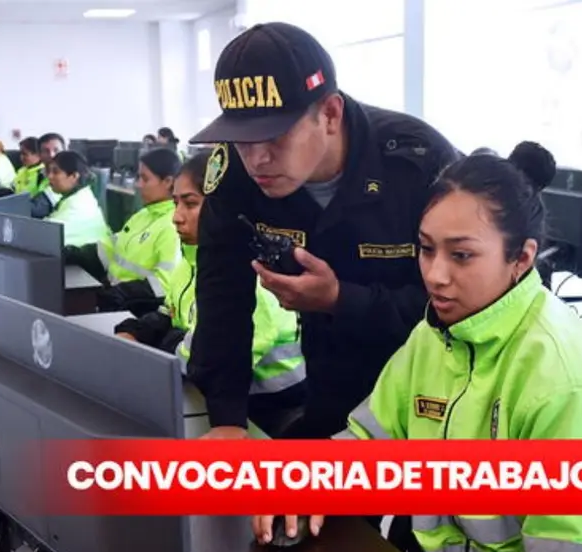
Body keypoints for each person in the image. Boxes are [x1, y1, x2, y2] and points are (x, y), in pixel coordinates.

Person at [251, 143, 582, 552]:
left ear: (521, 258)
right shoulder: (437, 333)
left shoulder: (570, 382)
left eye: (461, 255)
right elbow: (371, 442)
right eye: (425, 249)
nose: (435, 275)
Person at [186, 22, 459, 440]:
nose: (257, 159)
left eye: (273, 136)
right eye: (242, 139)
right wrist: (227, 420)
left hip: (433, 403)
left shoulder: (418, 163)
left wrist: (341, 300)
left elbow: (465, 308)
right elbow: (221, 296)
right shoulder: (233, 176)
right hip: (329, 389)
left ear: (329, 114)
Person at [113, 153, 306, 436]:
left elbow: (206, 360)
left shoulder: (252, 278)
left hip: (269, 414)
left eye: (190, 204)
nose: (176, 217)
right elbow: (172, 313)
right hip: (215, 403)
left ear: (223, 208)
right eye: (176, 203)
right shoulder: (188, 265)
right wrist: (136, 330)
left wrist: (164, 346)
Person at [64, 148, 182, 314]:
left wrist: (121, 293)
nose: (138, 184)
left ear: (168, 182)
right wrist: (70, 254)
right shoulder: (142, 215)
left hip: (139, 311)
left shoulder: (173, 225)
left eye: (145, 179)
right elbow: (109, 249)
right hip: (116, 300)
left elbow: (164, 284)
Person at [45, 150, 110, 247]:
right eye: (49, 171)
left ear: (74, 176)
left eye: (55, 172)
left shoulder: (78, 206)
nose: (49, 176)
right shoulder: (80, 195)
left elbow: (45, 235)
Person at [31, 132, 66, 218]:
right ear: (39, 154)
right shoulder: (34, 173)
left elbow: (37, 209)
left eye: (56, 150)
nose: (52, 155)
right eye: (46, 151)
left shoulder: (67, 177)